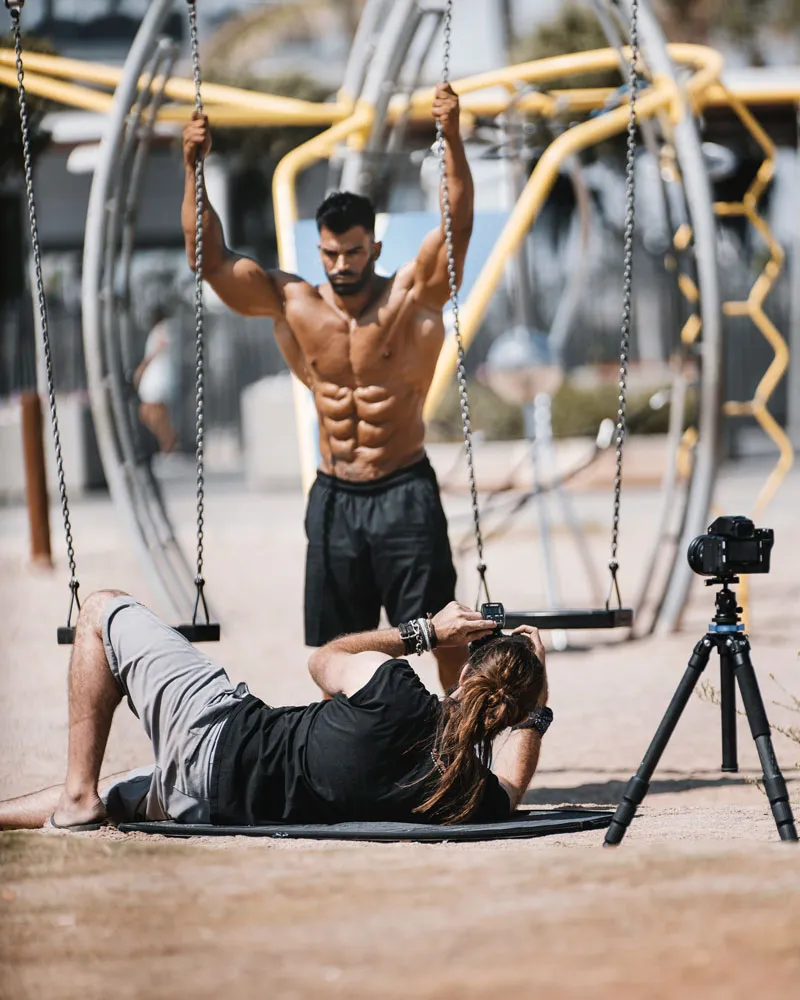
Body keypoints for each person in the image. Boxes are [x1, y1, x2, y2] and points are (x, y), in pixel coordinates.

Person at [181, 83, 474, 691]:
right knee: (339, 644)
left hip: (404, 490)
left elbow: (457, 222)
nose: (342, 265)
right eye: (331, 254)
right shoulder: (294, 304)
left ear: (375, 247)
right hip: (336, 495)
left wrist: (450, 136)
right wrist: (192, 165)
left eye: (354, 252)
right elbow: (210, 261)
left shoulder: (411, 297)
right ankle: (353, 749)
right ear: (318, 250)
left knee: (445, 630)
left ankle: (462, 742)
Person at [0, 590, 552, 832]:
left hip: (219, 737)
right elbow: (511, 788)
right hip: (207, 805)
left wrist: (427, 631)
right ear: (512, 716)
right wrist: (537, 711)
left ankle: (75, 800)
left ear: (466, 667)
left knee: (100, 610)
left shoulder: (396, 693)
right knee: (119, 789)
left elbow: (324, 661)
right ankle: (78, 801)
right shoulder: (464, 792)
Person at [133, 305, 178, 454]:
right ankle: (168, 441)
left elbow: (157, 349)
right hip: (156, 377)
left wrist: (141, 368)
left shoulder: (162, 330)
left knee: (154, 412)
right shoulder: (161, 330)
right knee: (152, 414)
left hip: (158, 378)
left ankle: (168, 442)